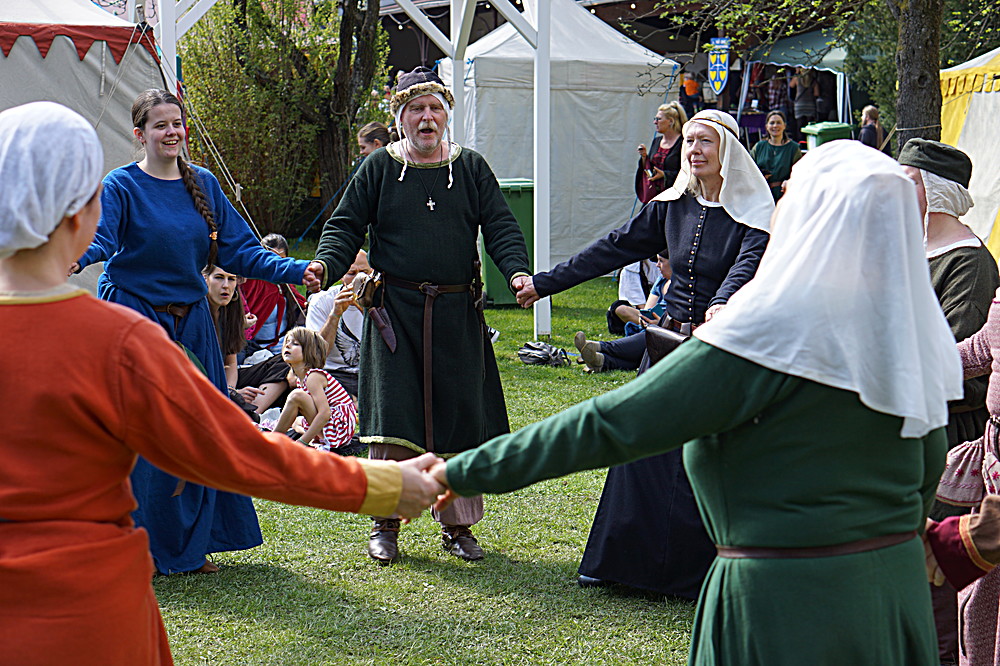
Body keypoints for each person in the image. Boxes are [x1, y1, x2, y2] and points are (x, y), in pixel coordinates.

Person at [436, 139, 963, 665]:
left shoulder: (767, 335)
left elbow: (609, 425)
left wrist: (452, 474)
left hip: (787, 613)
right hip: (894, 605)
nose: (778, 205)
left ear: (812, 218)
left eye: (791, 194)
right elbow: (922, 479)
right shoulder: (913, 342)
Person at [0, 100, 445, 666]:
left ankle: (189, 544)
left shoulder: (129, 321)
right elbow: (234, 452)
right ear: (86, 213)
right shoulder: (119, 344)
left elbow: (236, 247)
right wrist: (381, 485)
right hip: (91, 618)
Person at [515, 110, 773, 596]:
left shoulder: (757, 215)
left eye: (705, 142)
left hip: (720, 353)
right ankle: (625, 565)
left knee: (707, 461)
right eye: (689, 141)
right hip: (665, 348)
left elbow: (747, 268)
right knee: (642, 452)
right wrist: (544, 284)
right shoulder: (672, 205)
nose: (694, 149)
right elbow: (612, 248)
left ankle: (701, 576)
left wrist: (721, 305)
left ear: (730, 152)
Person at [73, 89, 320, 575]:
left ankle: (191, 543)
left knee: (199, 428)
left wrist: (296, 269)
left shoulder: (202, 183)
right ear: (140, 134)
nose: (172, 132)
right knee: (141, 434)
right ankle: (133, 543)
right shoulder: (121, 185)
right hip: (135, 318)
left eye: (177, 123)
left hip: (190, 322)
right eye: (160, 125)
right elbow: (100, 236)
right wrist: (73, 256)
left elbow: (243, 252)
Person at [304, 66, 530, 564]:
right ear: (401, 117)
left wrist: (516, 272)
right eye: (416, 109)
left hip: (456, 312)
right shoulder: (379, 168)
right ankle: (386, 522)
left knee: (460, 417)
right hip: (396, 316)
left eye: (434, 109)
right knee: (393, 420)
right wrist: (326, 262)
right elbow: (345, 225)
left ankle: (458, 526)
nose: (426, 118)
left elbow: (500, 225)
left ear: (445, 115)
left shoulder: (470, 168)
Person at [898, 138, 998, 665]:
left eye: (906, 183)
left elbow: (960, 354)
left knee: (946, 577)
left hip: (951, 432)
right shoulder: (907, 251)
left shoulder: (971, 264)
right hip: (914, 423)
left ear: (933, 192)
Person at [272, 327, 358, 451]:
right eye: (287, 342)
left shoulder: (313, 377)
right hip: (334, 427)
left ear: (309, 352)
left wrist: (302, 442)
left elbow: (325, 413)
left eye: (295, 344)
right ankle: (312, 438)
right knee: (296, 421)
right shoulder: (300, 378)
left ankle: (272, 440)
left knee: (296, 396)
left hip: (338, 429)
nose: (288, 346)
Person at [306, 249, 370, 402]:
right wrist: (335, 315)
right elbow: (315, 356)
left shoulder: (383, 301)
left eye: (365, 272)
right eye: (351, 273)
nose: (358, 279)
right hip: (334, 374)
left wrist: (367, 310)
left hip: (372, 372)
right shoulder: (322, 301)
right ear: (341, 276)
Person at [635, 102, 687, 204]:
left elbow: (687, 173)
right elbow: (649, 169)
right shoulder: (657, 141)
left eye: (658, 119)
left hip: (674, 200)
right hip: (655, 197)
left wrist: (665, 175)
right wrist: (644, 157)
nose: (655, 122)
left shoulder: (683, 143)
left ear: (670, 121)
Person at [750, 110, 802, 201]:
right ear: (766, 126)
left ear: (784, 126)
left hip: (784, 196)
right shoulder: (759, 147)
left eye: (778, 123)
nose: (775, 126)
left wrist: (789, 182)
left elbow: (799, 173)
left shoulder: (793, 148)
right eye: (772, 123)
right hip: (761, 195)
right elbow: (748, 168)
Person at [789, 67, 820, 139]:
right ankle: (809, 141)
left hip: (799, 106)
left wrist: (796, 73)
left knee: (800, 127)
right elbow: (817, 94)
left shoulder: (797, 78)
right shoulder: (814, 81)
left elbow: (791, 85)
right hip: (810, 105)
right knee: (810, 127)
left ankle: (801, 143)